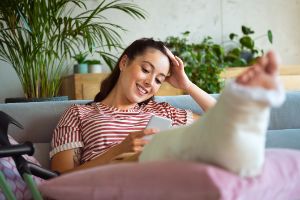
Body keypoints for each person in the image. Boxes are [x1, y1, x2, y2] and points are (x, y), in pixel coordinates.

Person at [50, 38, 285, 177]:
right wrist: (117, 151)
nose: (149, 83)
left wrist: (187, 85)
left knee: (218, 136)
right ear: (124, 62)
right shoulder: (79, 114)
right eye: (145, 69)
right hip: (109, 185)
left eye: (159, 79)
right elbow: (59, 179)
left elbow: (223, 122)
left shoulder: (163, 112)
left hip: (166, 183)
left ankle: (247, 104)